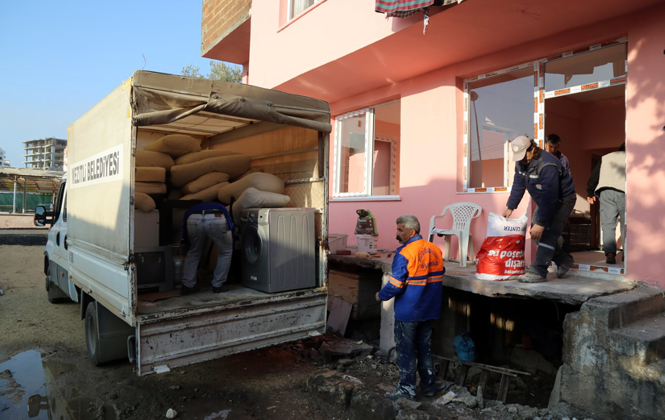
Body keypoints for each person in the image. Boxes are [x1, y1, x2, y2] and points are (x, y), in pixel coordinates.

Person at [375, 215, 445, 400]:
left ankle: (406, 391)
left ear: (411, 231)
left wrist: (381, 295)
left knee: (406, 351)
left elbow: (396, 284)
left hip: (409, 311)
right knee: (424, 349)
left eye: (400, 230)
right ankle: (428, 388)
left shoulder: (405, 253)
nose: (397, 233)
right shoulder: (435, 249)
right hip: (430, 309)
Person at [502, 136, 576, 283]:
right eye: (519, 157)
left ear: (533, 149)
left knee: (547, 233)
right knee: (536, 234)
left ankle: (539, 271)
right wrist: (510, 206)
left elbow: (551, 195)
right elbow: (518, 184)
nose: (522, 160)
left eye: (524, 156)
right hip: (546, 201)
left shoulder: (548, 164)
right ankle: (563, 260)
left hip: (562, 200)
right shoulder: (522, 163)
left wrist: (541, 223)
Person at [180, 201, 234, 295]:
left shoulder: (192, 208)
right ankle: (217, 285)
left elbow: (186, 239)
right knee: (225, 251)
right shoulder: (220, 206)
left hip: (193, 218)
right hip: (216, 217)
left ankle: (186, 287)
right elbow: (230, 224)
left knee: (193, 252)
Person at [586, 143, 626, 264]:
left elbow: (594, 176)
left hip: (606, 192)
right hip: (625, 192)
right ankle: (626, 254)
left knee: (608, 224)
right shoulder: (632, 157)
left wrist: (590, 192)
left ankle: (610, 255)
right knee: (626, 225)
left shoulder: (606, 157)